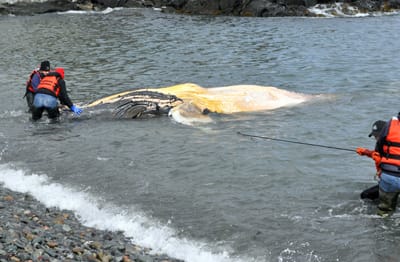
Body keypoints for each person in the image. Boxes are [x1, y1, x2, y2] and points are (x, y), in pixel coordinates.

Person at [373, 114, 400, 217]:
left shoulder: (390, 124)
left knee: (384, 212)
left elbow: (379, 149)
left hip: (389, 176)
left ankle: (380, 229)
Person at [357, 120, 386, 200]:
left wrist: (379, 159)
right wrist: (365, 152)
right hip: (388, 180)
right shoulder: (380, 144)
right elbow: (377, 154)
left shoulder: (393, 143)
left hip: (394, 179)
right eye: (374, 136)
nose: (376, 138)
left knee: (365, 195)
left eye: (377, 135)